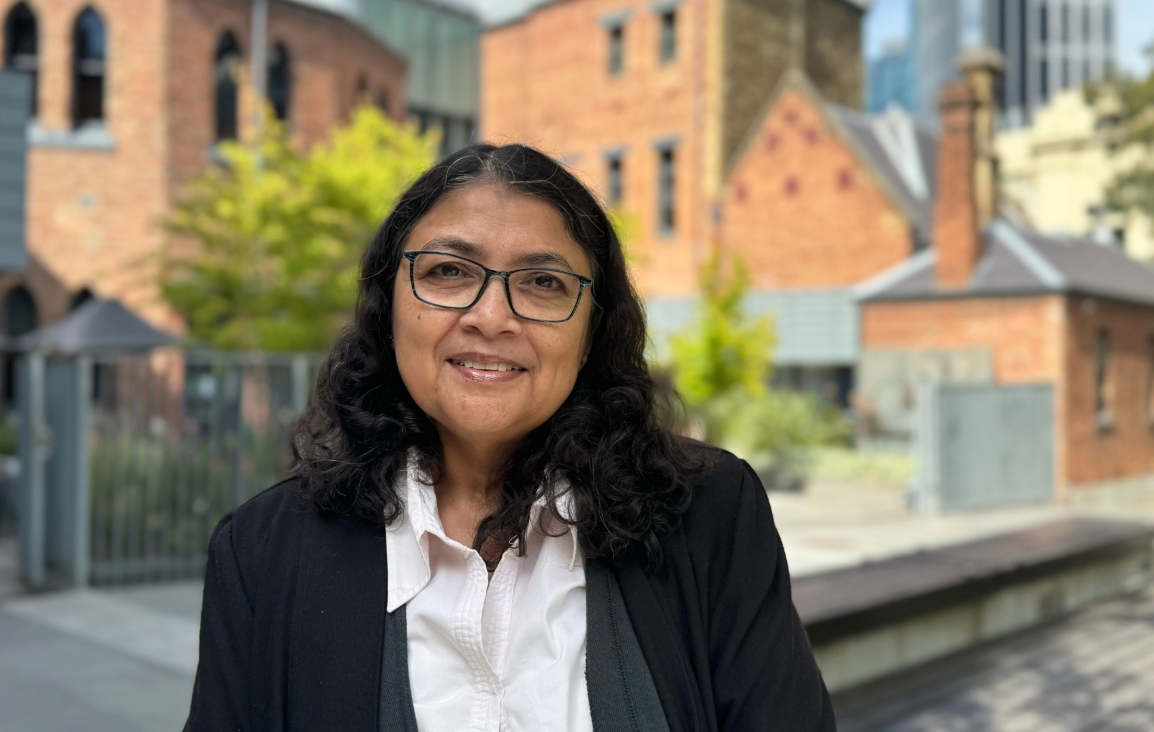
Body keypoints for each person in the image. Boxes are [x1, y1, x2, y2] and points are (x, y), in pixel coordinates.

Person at [184, 144, 835, 731]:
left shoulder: (709, 517)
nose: (491, 317)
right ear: (390, 307)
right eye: (447, 272)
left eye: (543, 282)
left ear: (592, 330)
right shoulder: (263, 552)